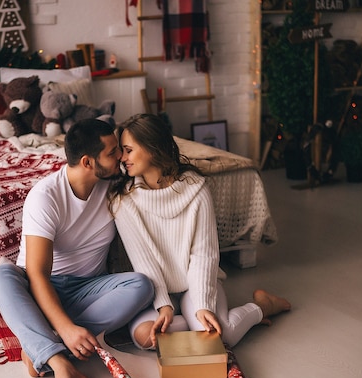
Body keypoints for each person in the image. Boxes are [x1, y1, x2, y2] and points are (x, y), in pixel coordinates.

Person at [0, 118, 154, 378]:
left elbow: (153, 172)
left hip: (88, 289)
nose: (120, 158)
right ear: (88, 162)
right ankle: (61, 363)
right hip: (39, 289)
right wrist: (65, 327)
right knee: (0, 276)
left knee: (140, 285)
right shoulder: (46, 196)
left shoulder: (114, 184)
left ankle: (39, 344)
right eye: (113, 152)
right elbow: (37, 274)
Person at [108, 113, 291, 350]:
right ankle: (191, 323)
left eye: (128, 150)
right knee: (146, 337)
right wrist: (164, 306)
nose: (122, 158)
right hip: (154, 290)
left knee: (220, 335)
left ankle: (263, 306)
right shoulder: (123, 200)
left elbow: (204, 253)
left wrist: (203, 305)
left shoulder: (196, 189)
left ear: (152, 149)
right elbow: (144, 261)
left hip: (195, 284)